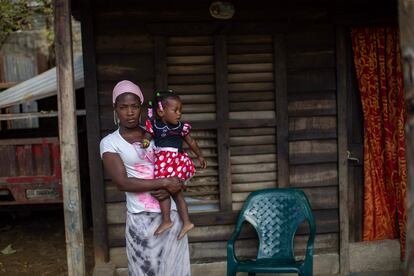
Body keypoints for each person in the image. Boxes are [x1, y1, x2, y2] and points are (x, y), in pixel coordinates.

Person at [100, 80, 191, 276]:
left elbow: (180, 165)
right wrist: (163, 182)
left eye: (134, 106)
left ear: (141, 107)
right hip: (141, 219)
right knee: (145, 272)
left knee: (175, 271)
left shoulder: (156, 133)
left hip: (172, 216)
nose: (130, 112)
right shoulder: (109, 143)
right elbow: (122, 182)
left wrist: (178, 184)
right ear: (115, 108)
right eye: (123, 107)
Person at [145, 90, 207, 240]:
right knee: (167, 191)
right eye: (175, 110)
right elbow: (147, 137)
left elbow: (191, 142)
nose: (179, 114)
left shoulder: (180, 127)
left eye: (180, 110)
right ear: (161, 112)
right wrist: (145, 142)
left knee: (173, 190)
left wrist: (199, 155)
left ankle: (176, 221)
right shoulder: (154, 126)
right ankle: (177, 221)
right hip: (162, 162)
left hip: (176, 161)